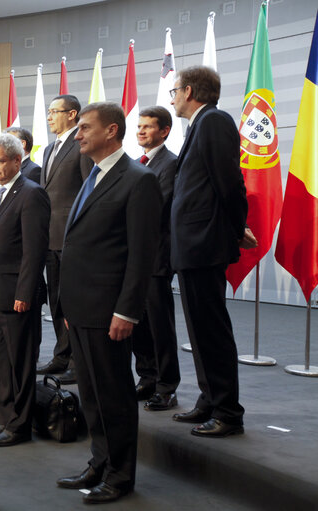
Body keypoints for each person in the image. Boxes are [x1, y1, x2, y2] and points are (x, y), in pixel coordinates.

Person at [55, 102, 161, 504]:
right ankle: (100, 460)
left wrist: (126, 310)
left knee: (114, 395)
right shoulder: (95, 174)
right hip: (81, 308)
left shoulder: (138, 180)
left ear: (112, 131)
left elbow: (141, 254)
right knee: (91, 393)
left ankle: (120, 475)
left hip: (110, 310)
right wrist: (67, 306)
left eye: (84, 127)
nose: (77, 133)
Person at [169, 65, 254, 438]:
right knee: (199, 329)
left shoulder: (215, 121)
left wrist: (237, 231)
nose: (171, 97)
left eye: (174, 91)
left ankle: (228, 412)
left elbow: (230, 182)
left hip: (204, 243)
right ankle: (209, 399)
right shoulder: (200, 125)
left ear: (189, 91)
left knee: (212, 329)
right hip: (192, 245)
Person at [0, 134, 49, 447]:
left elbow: (34, 251)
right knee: (2, 362)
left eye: (0, 161)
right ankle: (4, 420)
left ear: (17, 161)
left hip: (17, 294)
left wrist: (25, 292)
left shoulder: (31, 194)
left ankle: (19, 426)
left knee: (20, 364)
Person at [36, 95, 94, 382]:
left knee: (71, 301)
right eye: (47, 112)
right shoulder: (49, 149)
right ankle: (61, 354)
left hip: (71, 237)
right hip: (49, 236)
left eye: (54, 112)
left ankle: (76, 361)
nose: (49, 117)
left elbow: (87, 191)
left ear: (72, 114)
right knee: (56, 299)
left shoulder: (81, 145)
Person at [132, 106, 181, 411]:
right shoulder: (139, 163)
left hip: (156, 258)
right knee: (138, 323)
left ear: (164, 131)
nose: (141, 131)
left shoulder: (170, 164)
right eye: (139, 126)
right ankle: (147, 377)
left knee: (160, 326)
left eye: (148, 127)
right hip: (134, 258)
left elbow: (156, 208)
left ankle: (166, 386)